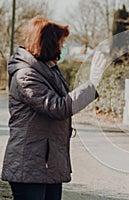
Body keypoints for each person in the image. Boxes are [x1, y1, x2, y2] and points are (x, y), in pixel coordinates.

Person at [1, 16, 106, 200]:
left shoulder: (48, 70)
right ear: (49, 44)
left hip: (46, 165)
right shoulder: (26, 76)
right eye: (61, 42)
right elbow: (59, 108)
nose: (63, 48)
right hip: (29, 167)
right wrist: (92, 84)